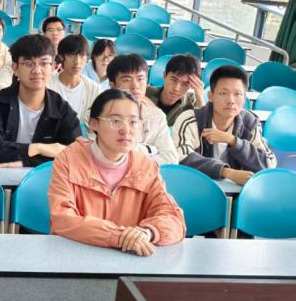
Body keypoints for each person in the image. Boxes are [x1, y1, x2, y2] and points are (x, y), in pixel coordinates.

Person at [48, 89, 186, 254]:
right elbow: (62, 219)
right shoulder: (69, 160)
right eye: (115, 121)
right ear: (93, 124)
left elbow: (173, 218)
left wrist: (147, 232)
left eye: (133, 122)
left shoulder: (146, 167)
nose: (126, 130)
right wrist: (117, 237)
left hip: (130, 258)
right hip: (77, 256)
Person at [0, 35, 81, 166]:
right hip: (2, 176)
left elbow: (77, 154)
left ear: (53, 67)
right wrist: (36, 148)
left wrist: (25, 162)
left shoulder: (61, 108)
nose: (37, 70)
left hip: (46, 178)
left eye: (44, 63)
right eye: (28, 64)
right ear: (15, 68)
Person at [173, 65, 276, 185]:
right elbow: (179, 157)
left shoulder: (249, 123)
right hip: (195, 187)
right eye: (223, 93)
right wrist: (225, 172)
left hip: (237, 192)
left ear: (244, 98)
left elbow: (268, 163)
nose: (231, 100)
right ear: (211, 96)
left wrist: (233, 141)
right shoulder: (191, 119)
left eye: (237, 94)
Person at [107, 54, 179, 165]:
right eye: (127, 80)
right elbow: (110, 156)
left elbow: (171, 159)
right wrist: (150, 150)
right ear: (112, 86)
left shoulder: (157, 116)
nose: (135, 86)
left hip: (148, 175)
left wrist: (137, 156)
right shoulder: (102, 114)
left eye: (140, 79)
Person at [47, 35, 100, 123]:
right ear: (61, 56)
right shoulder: (48, 85)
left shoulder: (94, 89)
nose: (77, 61)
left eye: (82, 56)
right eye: (71, 55)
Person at [145, 54, 206, 126]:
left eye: (185, 84)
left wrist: (200, 97)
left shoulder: (193, 102)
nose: (176, 88)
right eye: (174, 79)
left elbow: (205, 127)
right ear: (164, 75)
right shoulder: (145, 93)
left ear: (191, 85)